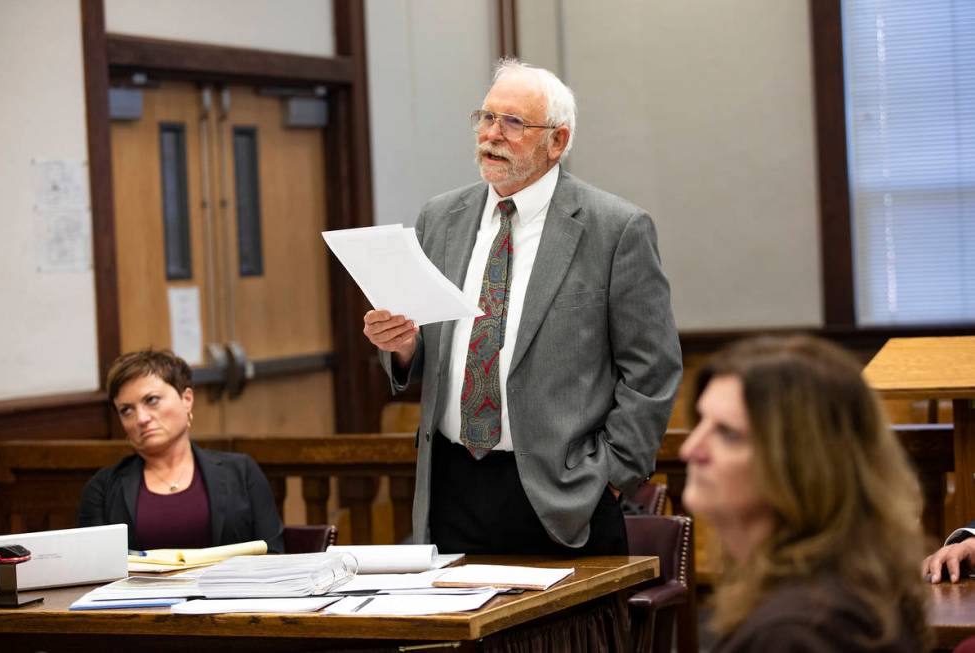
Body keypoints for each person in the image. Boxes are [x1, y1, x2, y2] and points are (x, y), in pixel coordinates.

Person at [363, 58, 682, 555]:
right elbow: (427, 349)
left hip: (564, 490)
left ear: (557, 141)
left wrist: (612, 476)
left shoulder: (615, 229)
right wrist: (403, 347)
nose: (491, 134)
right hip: (452, 484)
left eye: (512, 123)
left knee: (566, 635)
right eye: (486, 118)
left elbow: (653, 370)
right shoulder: (441, 218)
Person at [680, 335, 927, 651]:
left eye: (727, 434)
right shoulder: (825, 593)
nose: (690, 449)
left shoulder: (800, 632)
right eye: (700, 422)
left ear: (802, 463)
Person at [78, 350, 284, 552]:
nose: (141, 418)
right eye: (126, 410)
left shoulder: (241, 472)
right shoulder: (103, 489)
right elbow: (96, 570)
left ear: (186, 399)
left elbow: (273, 554)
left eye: (151, 400)